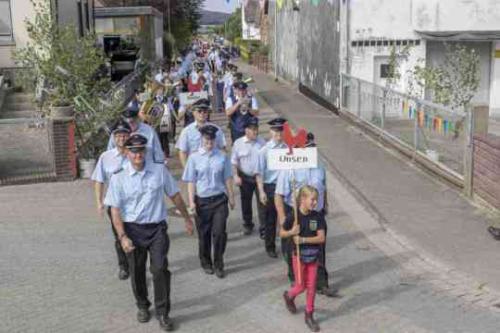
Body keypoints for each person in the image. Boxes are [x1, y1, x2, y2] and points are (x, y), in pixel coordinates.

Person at [104, 133, 194, 332]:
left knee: (160, 269)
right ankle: (143, 305)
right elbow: (115, 211)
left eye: (141, 150)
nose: (138, 155)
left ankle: (163, 312)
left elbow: (175, 196)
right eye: (134, 151)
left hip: (156, 229)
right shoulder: (118, 177)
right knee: (137, 272)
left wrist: (187, 218)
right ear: (127, 152)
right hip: (132, 230)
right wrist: (122, 236)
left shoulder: (159, 171)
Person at [275, 132, 338, 297]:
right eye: (308, 148)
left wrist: (326, 204)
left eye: (312, 148)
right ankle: (295, 279)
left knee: (319, 248)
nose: (311, 151)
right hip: (296, 213)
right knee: (293, 248)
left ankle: (322, 283)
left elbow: (323, 186)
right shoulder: (290, 168)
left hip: (316, 213)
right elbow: (279, 195)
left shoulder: (319, 166)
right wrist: (282, 217)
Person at [182, 125, 235, 278]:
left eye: (211, 140)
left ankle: (219, 263)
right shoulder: (193, 158)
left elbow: (227, 177)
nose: (209, 143)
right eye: (206, 139)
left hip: (219, 200)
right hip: (202, 202)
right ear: (201, 139)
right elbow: (191, 181)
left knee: (219, 233)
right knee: (204, 235)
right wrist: (191, 202)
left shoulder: (222, 156)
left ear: (215, 140)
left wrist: (231, 197)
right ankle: (206, 261)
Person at [91, 120, 132, 280]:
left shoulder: (137, 154)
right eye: (118, 135)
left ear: (130, 135)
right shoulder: (106, 157)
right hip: (115, 204)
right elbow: (99, 180)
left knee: (136, 235)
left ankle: (135, 265)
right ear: (114, 138)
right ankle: (124, 266)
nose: (122, 138)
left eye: (124, 134)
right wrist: (99, 202)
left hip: (135, 203)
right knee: (119, 236)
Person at [281, 185, 325, 333]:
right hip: (298, 257)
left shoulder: (317, 216)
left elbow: (321, 237)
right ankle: (289, 295)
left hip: (313, 256)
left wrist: (303, 240)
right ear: (303, 199)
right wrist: (291, 232)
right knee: (301, 286)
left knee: (311, 286)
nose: (315, 203)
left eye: (316, 200)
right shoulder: (293, 216)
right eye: (312, 199)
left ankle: (309, 314)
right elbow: (281, 233)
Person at [256, 117, 288, 257]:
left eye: (280, 131)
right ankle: (270, 246)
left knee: (286, 218)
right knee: (270, 219)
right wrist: (261, 191)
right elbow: (259, 173)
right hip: (270, 187)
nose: (278, 134)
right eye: (275, 131)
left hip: (285, 188)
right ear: (270, 132)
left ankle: (287, 245)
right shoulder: (264, 151)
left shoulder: (288, 149)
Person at [231, 117, 266, 236]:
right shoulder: (238, 143)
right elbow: (234, 161)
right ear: (246, 130)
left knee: (262, 202)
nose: (255, 131)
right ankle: (247, 224)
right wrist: (235, 176)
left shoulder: (262, 142)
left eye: (256, 129)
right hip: (245, 177)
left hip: (259, 177)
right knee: (246, 202)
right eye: (252, 129)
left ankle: (264, 228)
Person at [176, 98, 226, 168]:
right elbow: (182, 152)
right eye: (199, 111)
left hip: (213, 167)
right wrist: (187, 171)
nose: (202, 113)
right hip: (195, 167)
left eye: (205, 111)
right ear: (193, 112)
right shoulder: (186, 131)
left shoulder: (216, 129)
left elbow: (222, 149)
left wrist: (222, 166)